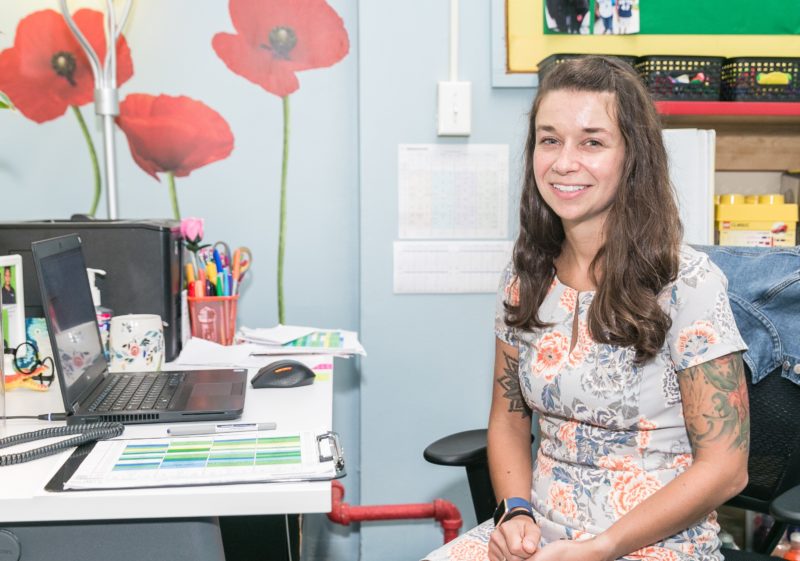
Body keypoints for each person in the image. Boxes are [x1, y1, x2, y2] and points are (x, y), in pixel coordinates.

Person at [423, 56, 749, 561]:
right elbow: (509, 419)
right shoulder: (524, 274)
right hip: (542, 535)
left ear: (632, 156)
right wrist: (514, 513)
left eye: (592, 142)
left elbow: (727, 468)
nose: (563, 162)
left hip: (655, 543)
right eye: (549, 139)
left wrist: (602, 547)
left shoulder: (687, 282)